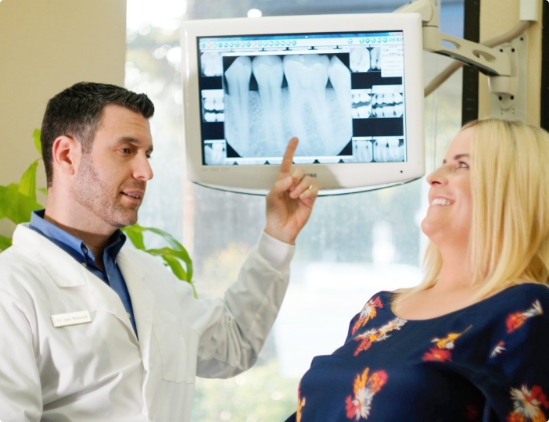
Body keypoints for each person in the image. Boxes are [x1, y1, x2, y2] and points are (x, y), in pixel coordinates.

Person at [0, 82, 318, 421]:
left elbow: (233, 345)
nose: (146, 172)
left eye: (147, 155)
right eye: (126, 150)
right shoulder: (12, 288)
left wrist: (277, 238)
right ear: (67, 155)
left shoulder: (149, 276)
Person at [286, 119, 549, 422]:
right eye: (442, 164)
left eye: (461, 166)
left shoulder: (525, 310)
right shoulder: (378, 309)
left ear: (512, 189)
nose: (434, 177)